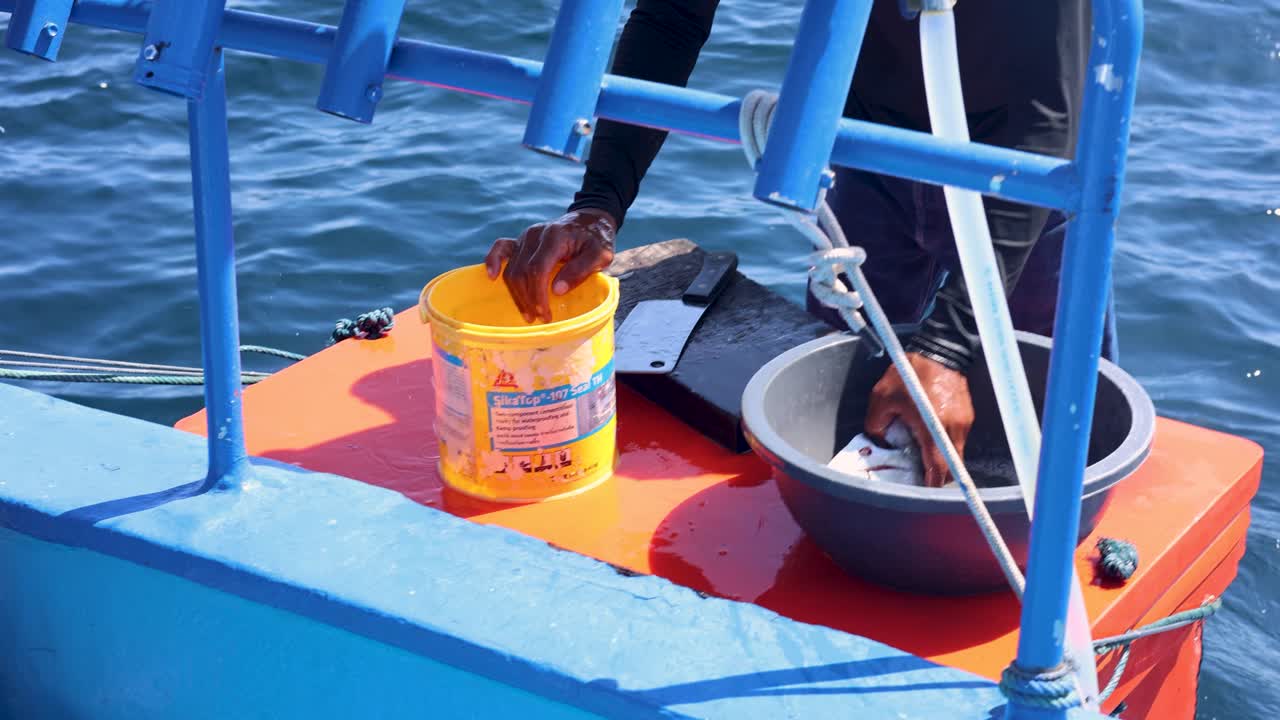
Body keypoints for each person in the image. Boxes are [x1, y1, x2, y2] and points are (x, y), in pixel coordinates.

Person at [485, 0, 1111, 487]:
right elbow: (672, 18)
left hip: (1026, 173)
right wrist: (599, 205)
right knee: (842, 400)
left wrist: (949, 342)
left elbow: (1044, 111)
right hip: (867, 145)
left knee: (1060, 425)